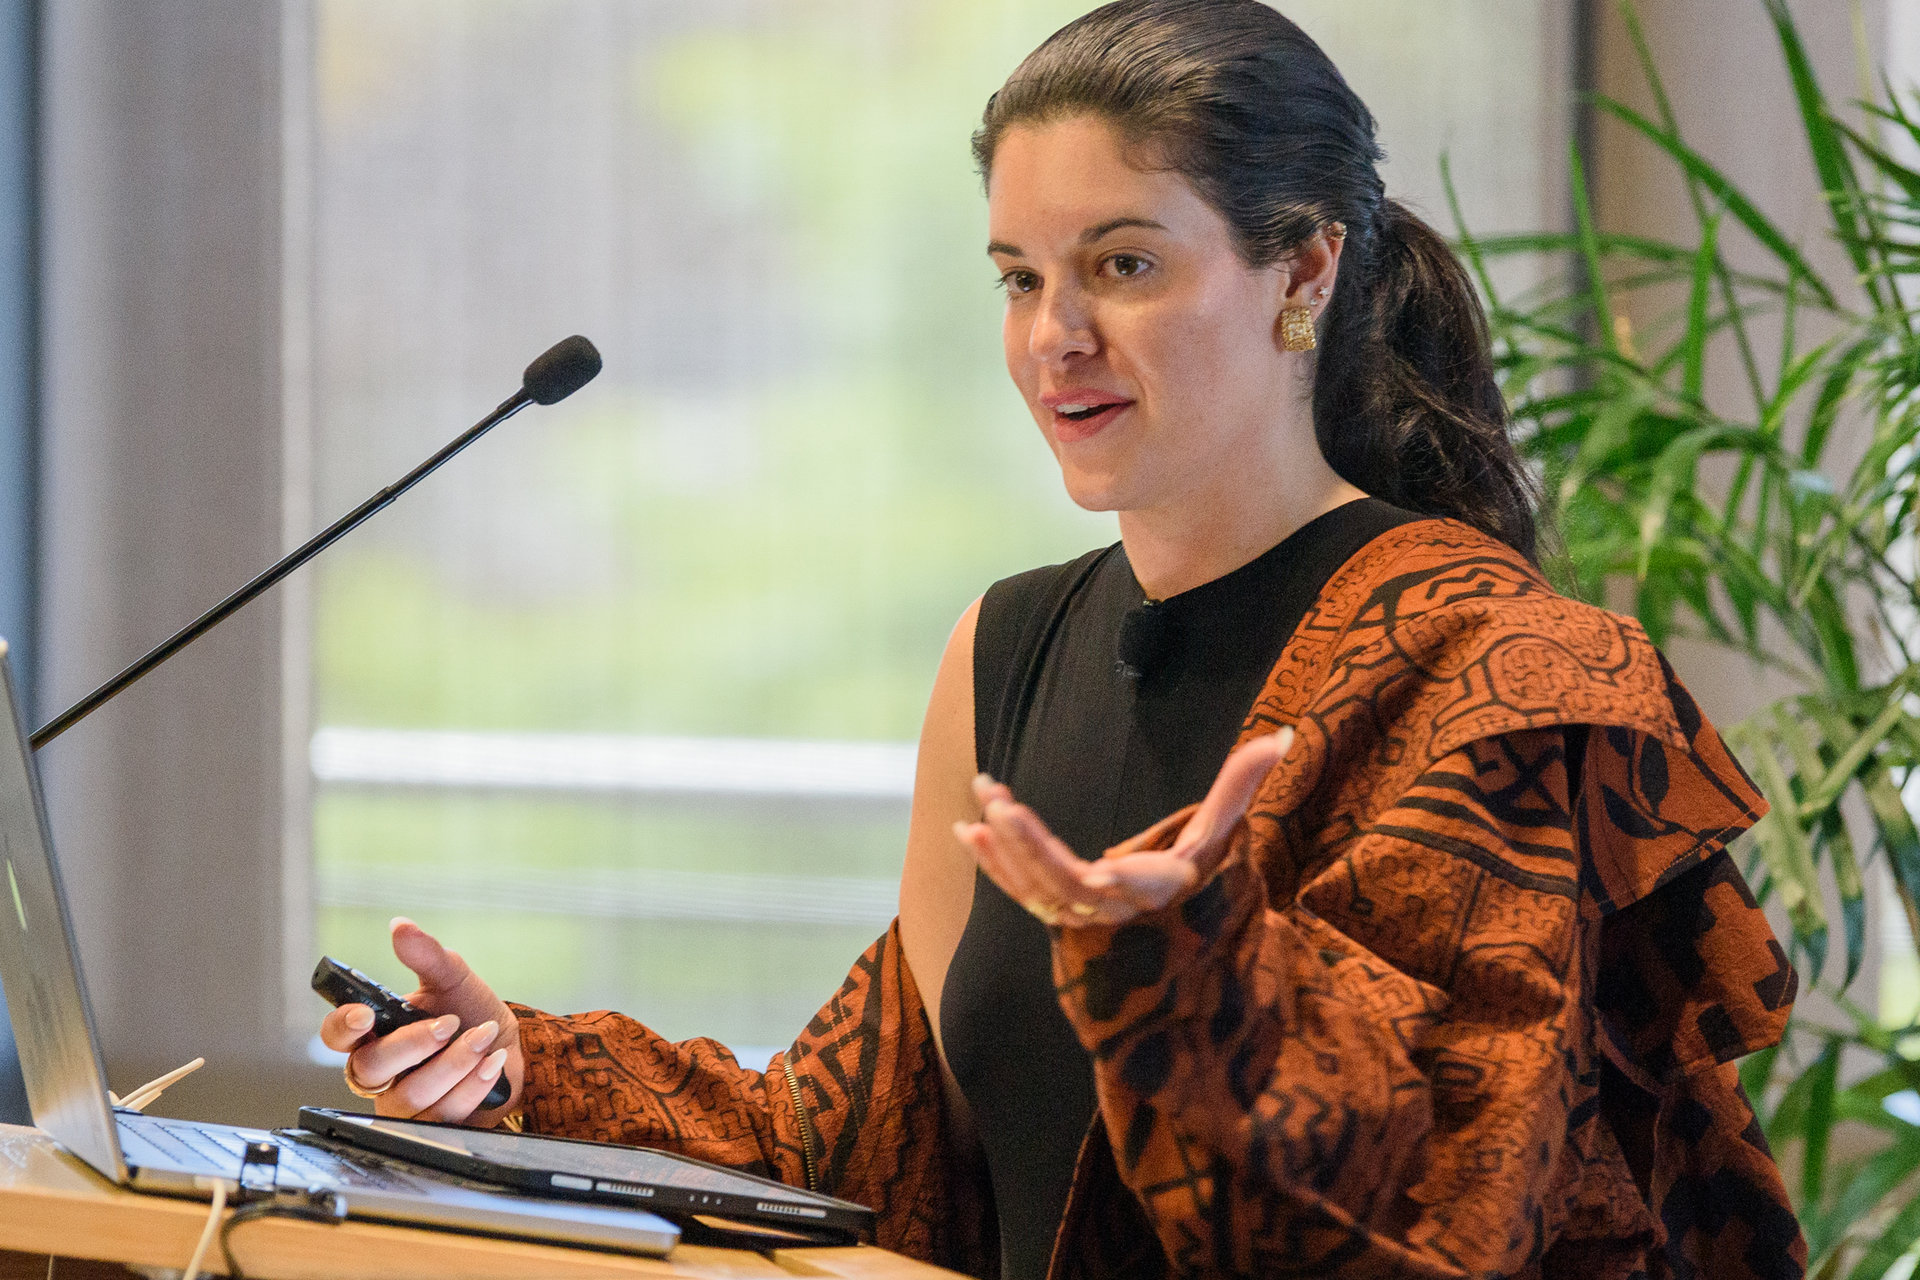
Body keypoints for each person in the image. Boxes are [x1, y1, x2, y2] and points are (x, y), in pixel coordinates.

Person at [318, 2, 1806, 1276]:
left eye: (1123, 266)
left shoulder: (1505, 668)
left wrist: (1188, 974)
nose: (1054, 337)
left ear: (1303, 275)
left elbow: (1451, 1200)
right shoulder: (1008, 648)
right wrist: (522, 1068)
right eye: (1020, 276)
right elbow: (860, 1140)